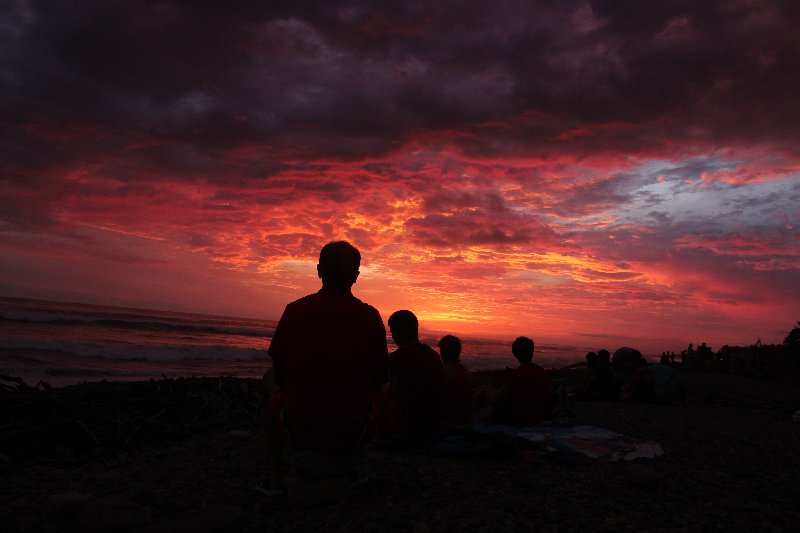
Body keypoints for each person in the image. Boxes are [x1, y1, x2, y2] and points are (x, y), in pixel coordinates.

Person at [261, 241, 389, 493]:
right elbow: (380, 378)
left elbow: (279, 373)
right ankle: (357, 463)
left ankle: (275, 478)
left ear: (319, 270)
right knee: (384, 389)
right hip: (355, 433)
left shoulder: (295, 310)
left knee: (266, 382)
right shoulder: (371, 316)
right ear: (356, 276)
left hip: (299, 432)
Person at [381, 310, 444, 443]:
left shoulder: (398, 357)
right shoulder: (433, 355)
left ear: (402, 331)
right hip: (433, 425)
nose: (392, 337)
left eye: (393, 332)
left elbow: (392, 393)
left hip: (408, 427)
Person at [490, 336, 551, 426]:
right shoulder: (541, 371)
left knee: (487, 397)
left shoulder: (517, 374)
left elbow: (499, 399)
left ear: (515, 353)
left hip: (520, 419)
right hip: (538, 417)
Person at [438, 335, 472, 428]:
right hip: (466, 419)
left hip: (450, 421)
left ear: (442, 352)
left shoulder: (444, 372)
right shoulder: (465, 371)